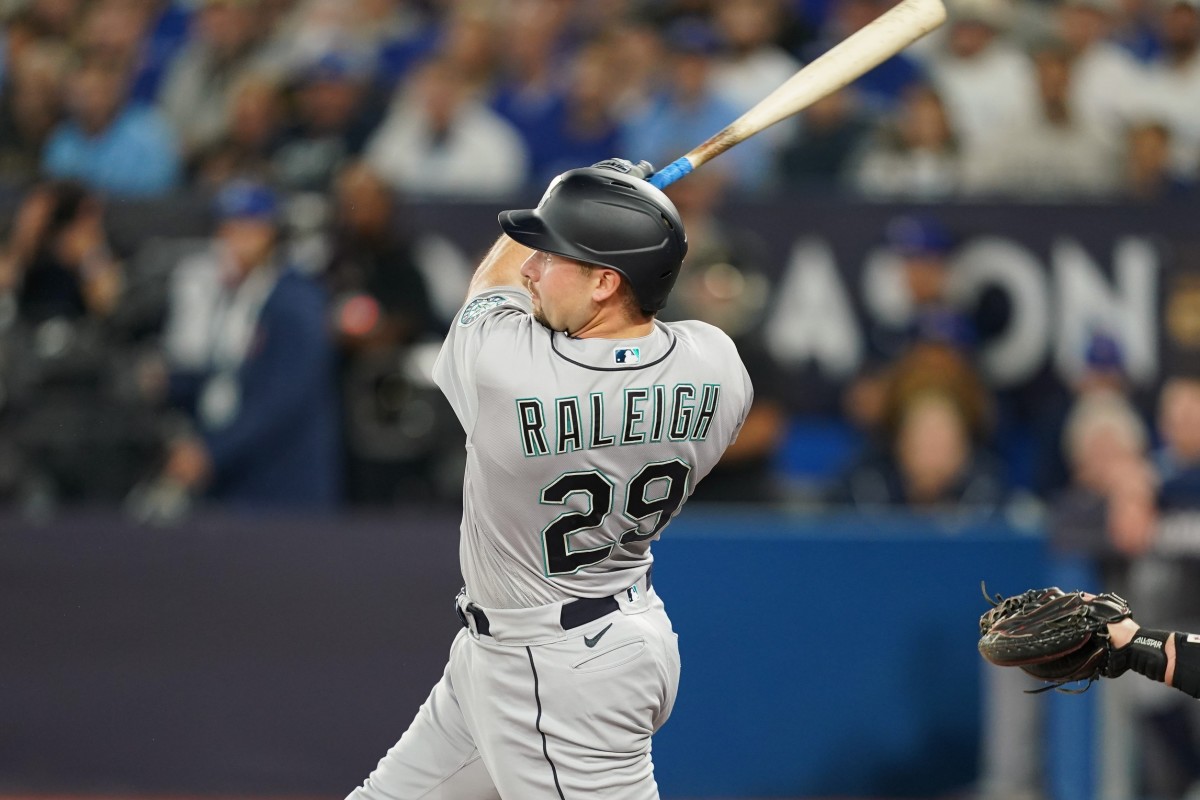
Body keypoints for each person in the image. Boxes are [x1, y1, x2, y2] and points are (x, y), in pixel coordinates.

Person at [346, 158, 753, 798]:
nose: (532, 267)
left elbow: (491, 281)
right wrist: (602, 211)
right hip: (584, 633)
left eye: (554, 252)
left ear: (604, 283)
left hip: (557, 670)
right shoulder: (719, 365)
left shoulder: (508, 371)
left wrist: (588, 183)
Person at [147, 180, 340, 511]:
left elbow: (281, 398)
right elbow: (228, 374)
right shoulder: (235, 296)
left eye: (248, 228)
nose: (235, 239)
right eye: (228, 228)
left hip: (284, 484)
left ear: (270, 233)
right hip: (239, 479)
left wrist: (212, 451)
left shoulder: (296, 301)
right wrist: (173, 382)